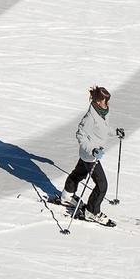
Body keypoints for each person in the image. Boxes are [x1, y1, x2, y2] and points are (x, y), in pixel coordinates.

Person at [58, 86, 119, 225]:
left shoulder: (102, 113)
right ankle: (92, 211)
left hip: (91, 154)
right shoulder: (90, 117)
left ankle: (67, 195)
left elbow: (103, 129)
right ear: (98, 102)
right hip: (91, 155)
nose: (107, 103)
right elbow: (80, 135)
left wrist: (116, 132)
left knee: (78, 174)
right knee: (102, 185)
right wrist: (92, 150)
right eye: (105, 101)